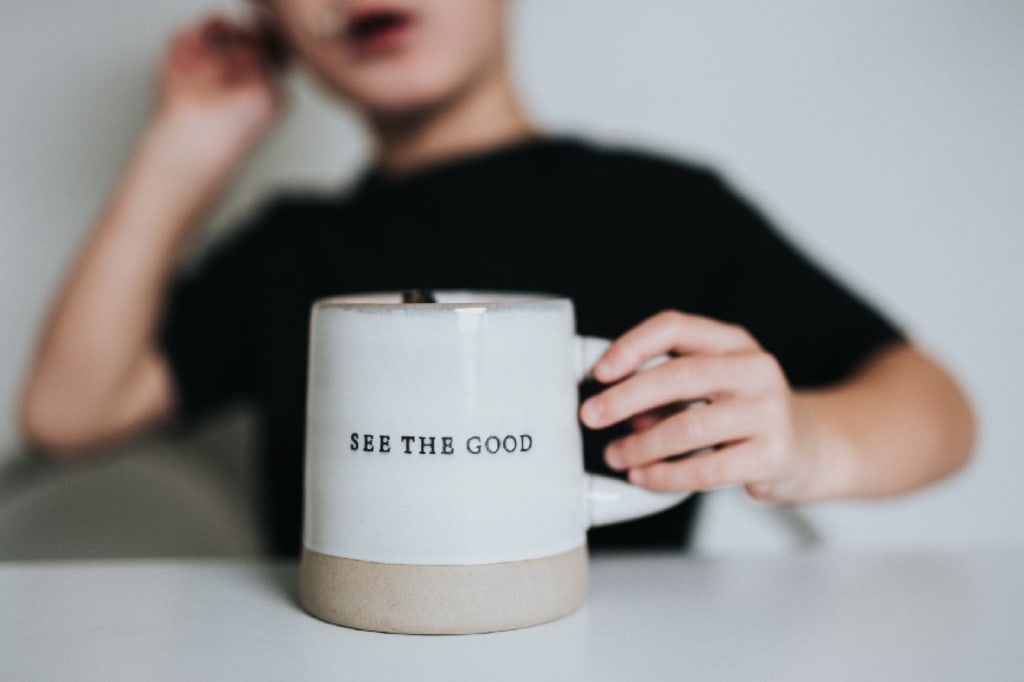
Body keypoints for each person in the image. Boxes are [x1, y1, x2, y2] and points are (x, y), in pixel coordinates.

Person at [19, 0, 975, 556]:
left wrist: (806, 443)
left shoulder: (664, 209)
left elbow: (936, 408)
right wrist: (184, 146)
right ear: (273, 24)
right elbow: (70, 413)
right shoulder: (288, 250)